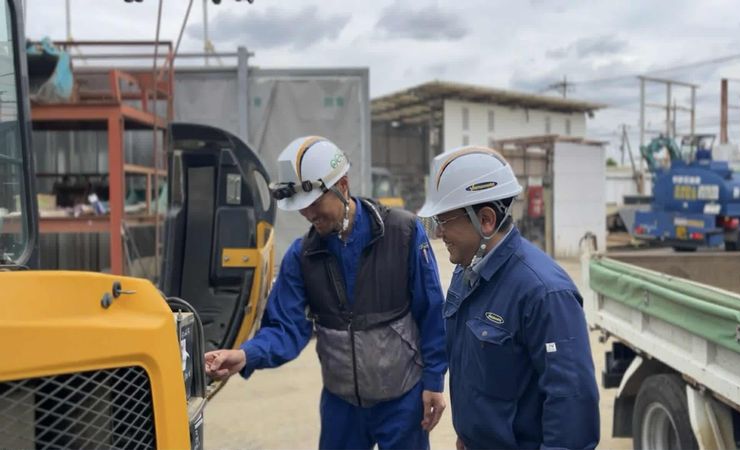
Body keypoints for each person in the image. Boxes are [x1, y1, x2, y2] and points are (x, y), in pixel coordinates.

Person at [205, 136, 448, 450]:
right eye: (301, 207)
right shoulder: (302, 257)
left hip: (403, 399)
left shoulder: (403, 233)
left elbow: (432, 312)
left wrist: (434, 381)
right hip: (341, 407)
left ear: (342, 185)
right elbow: (286, 328)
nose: (308, 214)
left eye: (314, 203)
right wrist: (245, 355)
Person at [417, 145, 600, 449]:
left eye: (444, 221)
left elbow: (572, 408)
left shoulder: (544, 293)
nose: (438, 233)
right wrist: (469, 434)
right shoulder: (466, 273)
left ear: (486, 220)